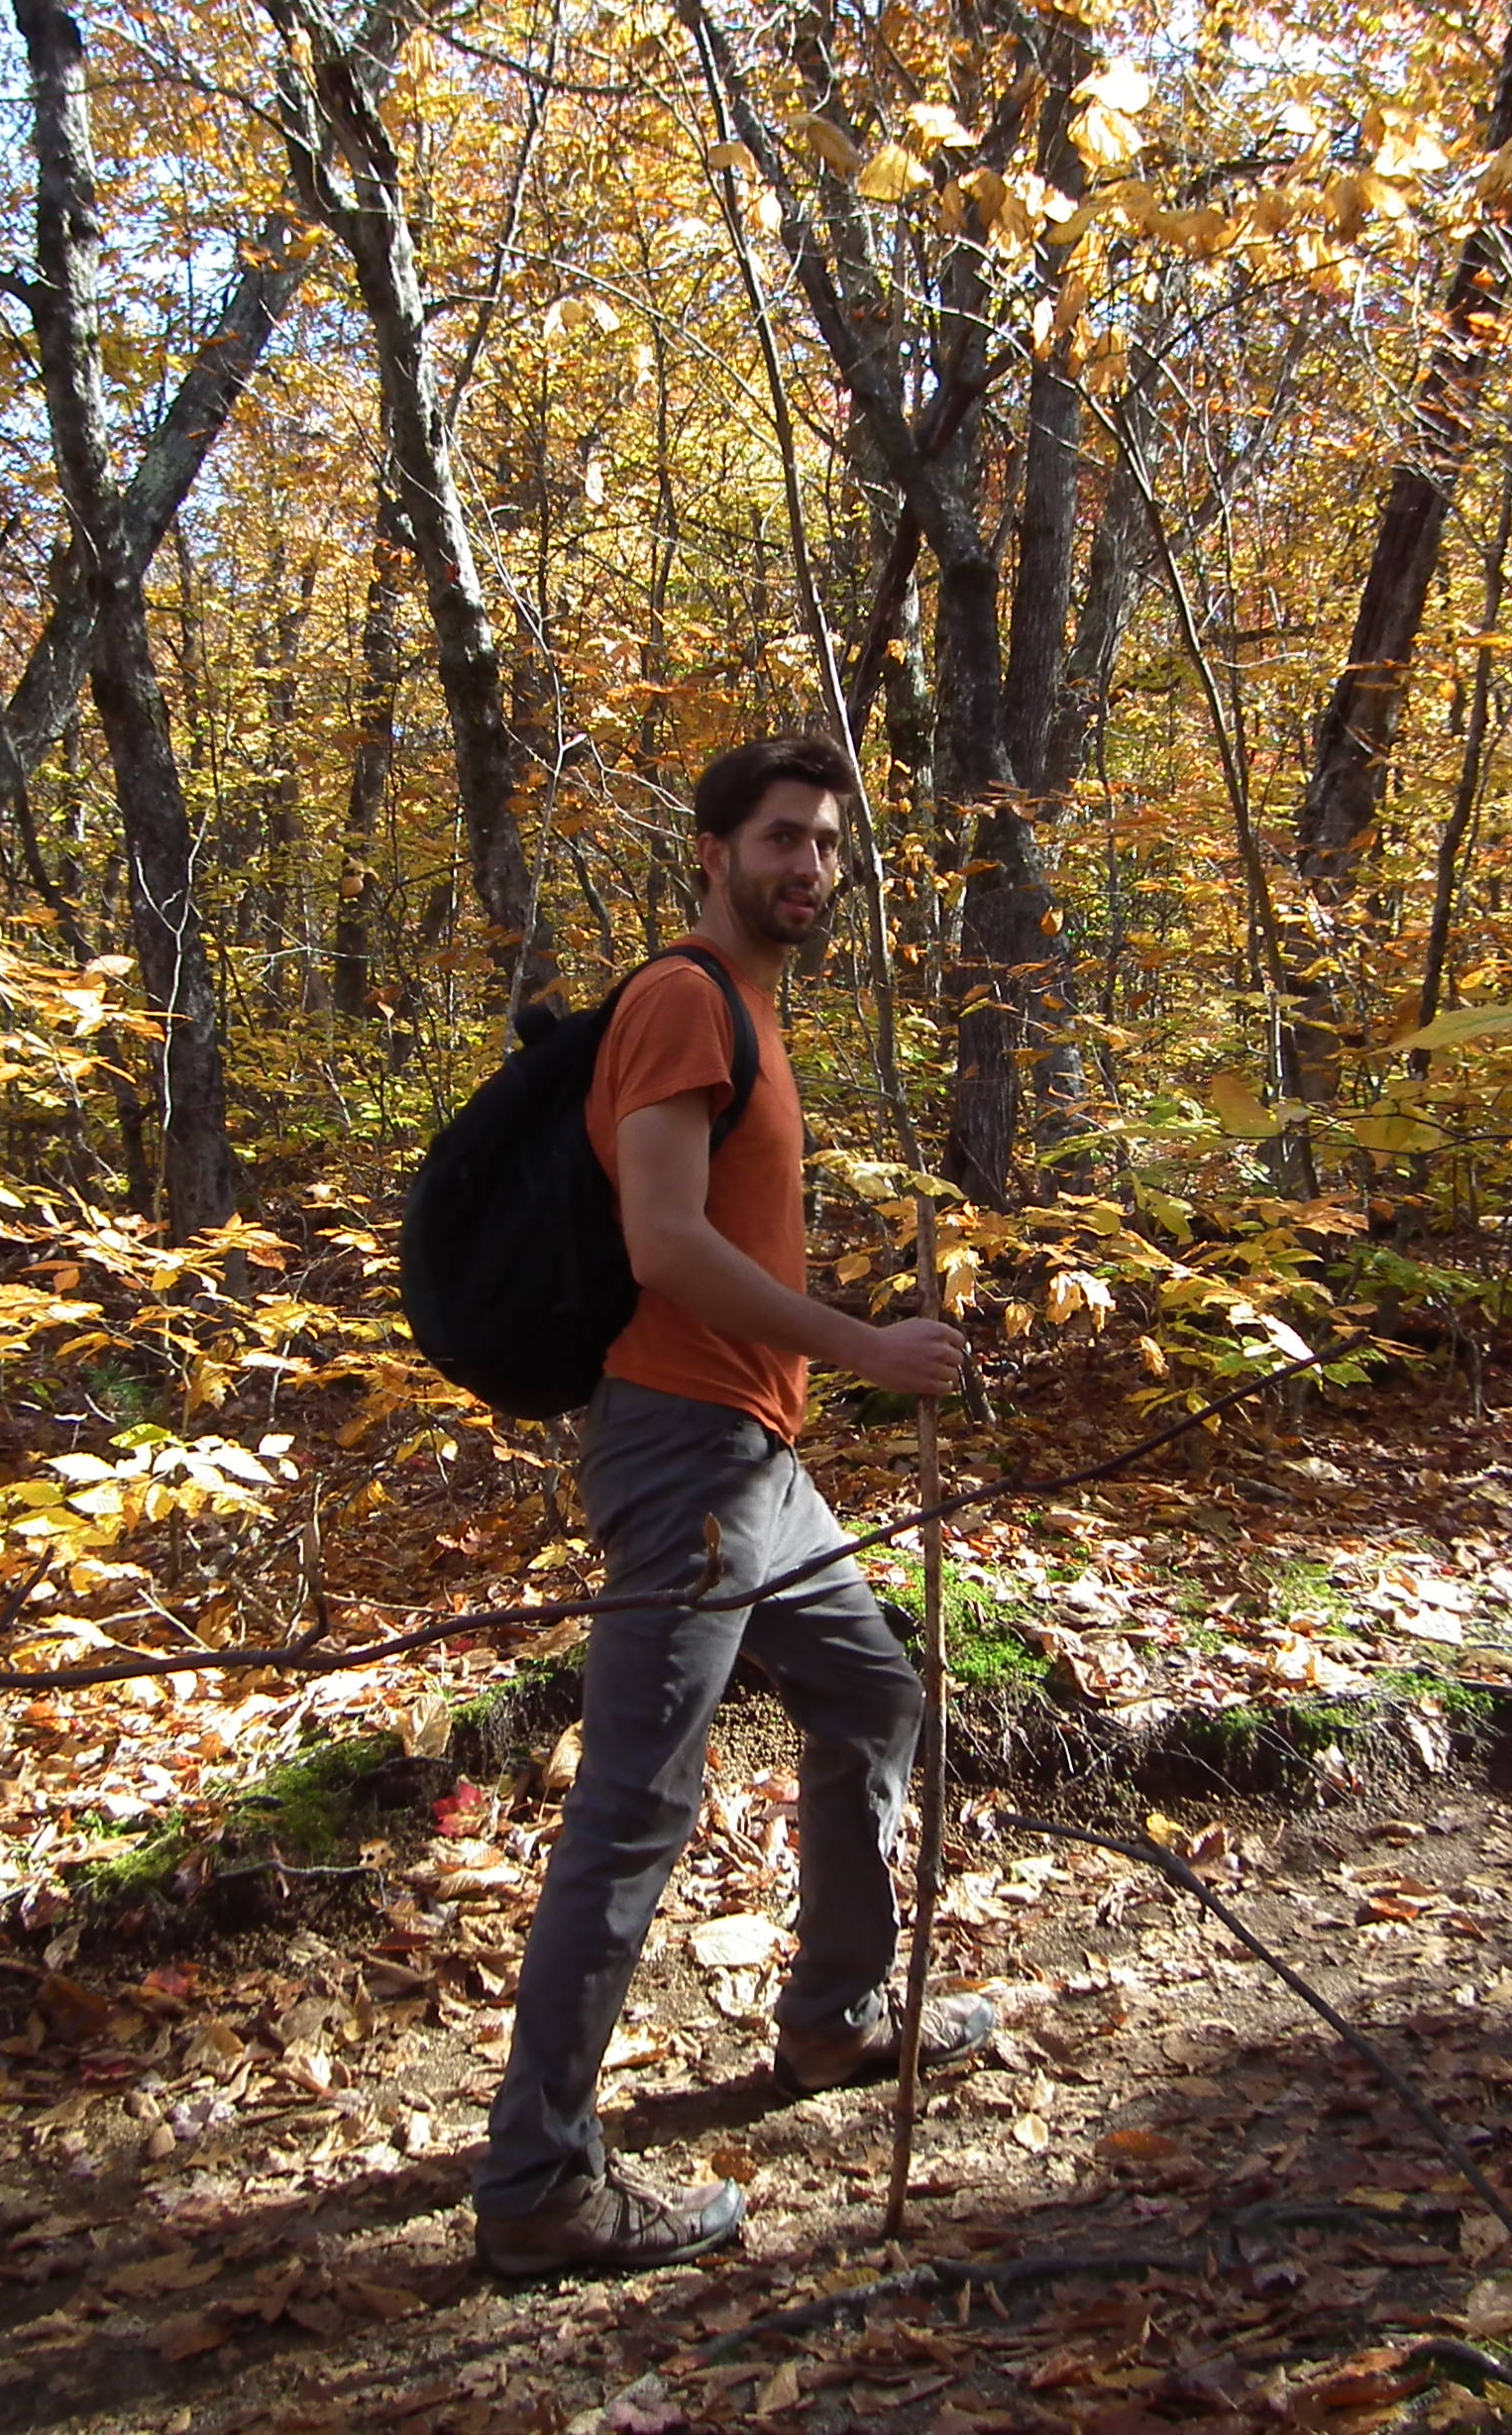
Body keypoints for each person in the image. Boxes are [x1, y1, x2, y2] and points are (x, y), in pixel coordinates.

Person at [470, 733, 995, 2282]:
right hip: (687, 1452)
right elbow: (664, 1243)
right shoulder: (686, 1001)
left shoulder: (753, 1008)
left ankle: (833, 2016)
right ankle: (539, 2185)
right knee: (636, 1804)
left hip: (758, 1459)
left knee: (876, 1695)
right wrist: (865, 1347)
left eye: (829, 845)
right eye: (782, 839)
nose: (809, 868)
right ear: (712, 850)